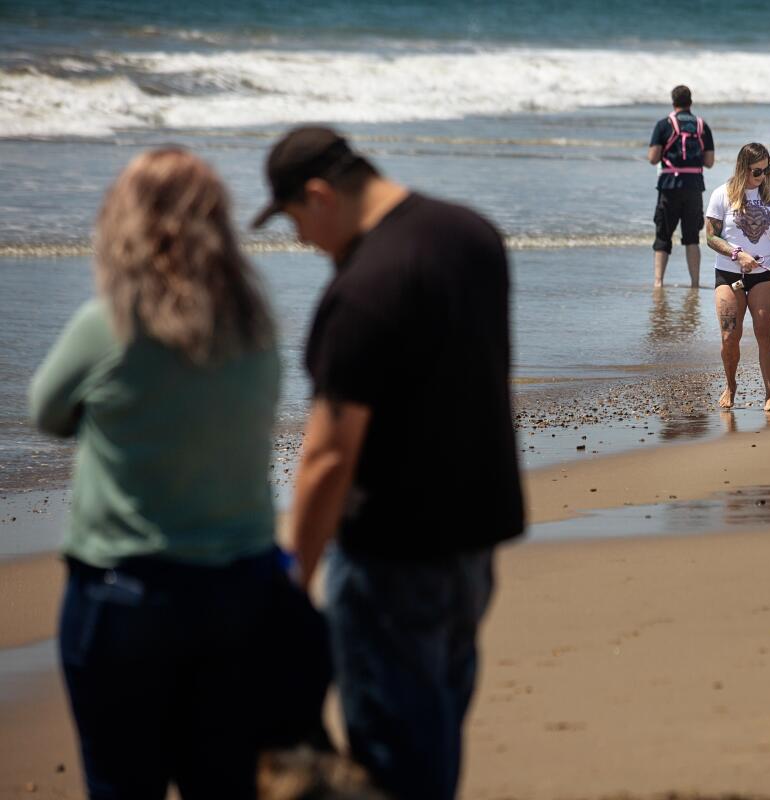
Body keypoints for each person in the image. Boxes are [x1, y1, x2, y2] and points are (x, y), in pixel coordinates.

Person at [29, 148, 329, 800]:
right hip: (241, 592)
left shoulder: (110, 324)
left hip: (126, 591)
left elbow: (46, 412)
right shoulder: (255, 326)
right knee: (222, 785)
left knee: (121, 784)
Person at [251, 126, 525, 800]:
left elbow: (326, 456)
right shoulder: (473, 236)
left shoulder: (363, 291)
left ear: (319, 196)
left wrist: (293, 578)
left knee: (396, 762)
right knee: (435, 733)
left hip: (390, 557)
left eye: (293, 221)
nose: (301, 241)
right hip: (472, 546)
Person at [704, 142, 770, 412]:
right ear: (743, 169)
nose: (763, 176)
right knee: (729, 336)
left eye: (767, 170)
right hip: (728, 273)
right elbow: (710, 236)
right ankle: (731, 385)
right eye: (757, 171)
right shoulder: (722, 195)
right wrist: (737, 253)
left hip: (764, 274)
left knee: (764, 332)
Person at [648, 84, 715, 288]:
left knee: (663, 235)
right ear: (690, 102)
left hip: (669, 186)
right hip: (694, 186)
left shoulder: (663, 125)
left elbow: (653, 158)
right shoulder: (702, 126)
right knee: (692, 237)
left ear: (673, 102)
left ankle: (659, 282)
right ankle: (695, 282)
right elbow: (710, 162)